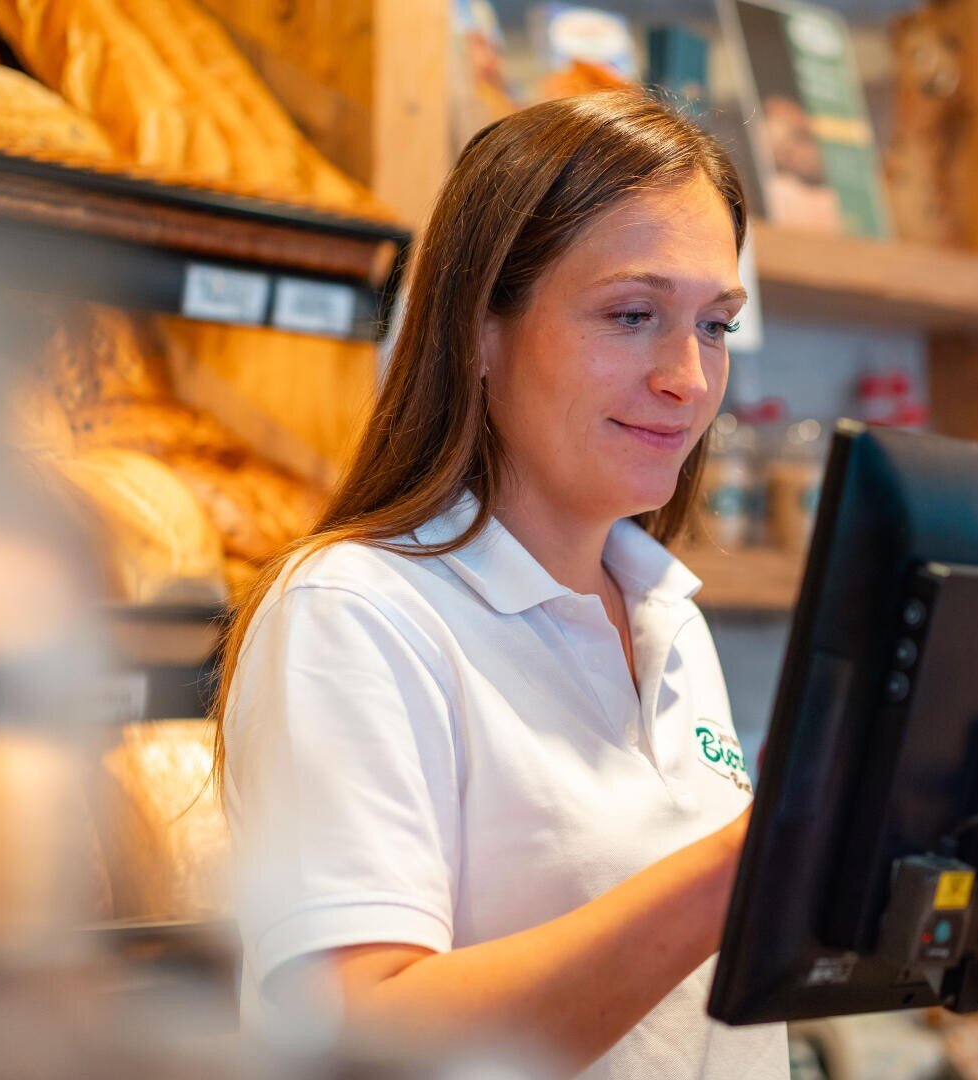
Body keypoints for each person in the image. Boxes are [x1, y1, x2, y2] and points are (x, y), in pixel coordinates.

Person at [213, 90, 786, 1079]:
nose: (689, 379)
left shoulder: (668, 620)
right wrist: (751, 862)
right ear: (480, 327)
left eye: (716, 326)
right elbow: (366, 1040)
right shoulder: (356, 616)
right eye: (633, 315)